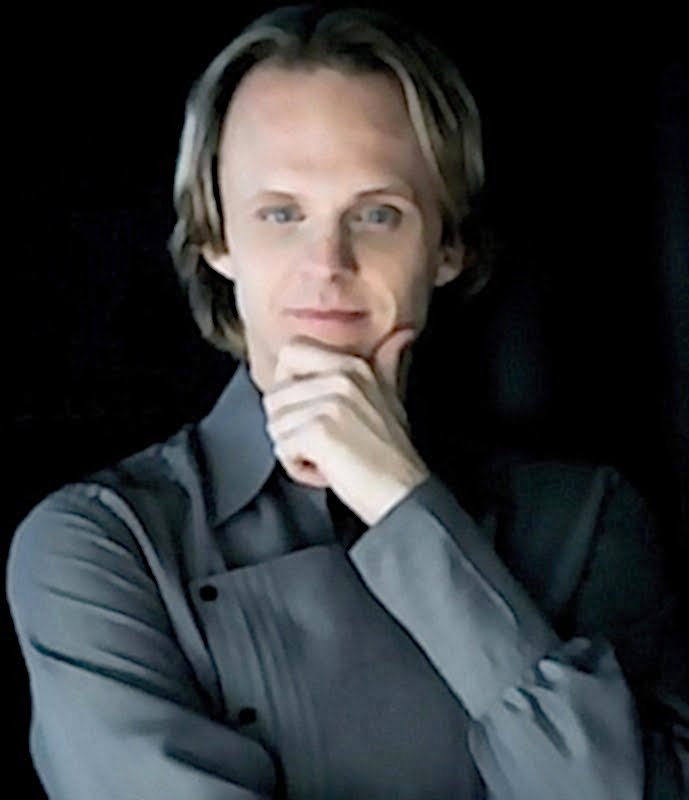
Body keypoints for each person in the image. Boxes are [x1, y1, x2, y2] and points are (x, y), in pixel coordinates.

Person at [6, 5, 688, 799]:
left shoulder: (586, 521)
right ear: (215, 239)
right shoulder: (101, 544)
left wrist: (403, 506)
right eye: (281, 213)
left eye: (375, 214)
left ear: (446, 246)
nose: (326, 262)